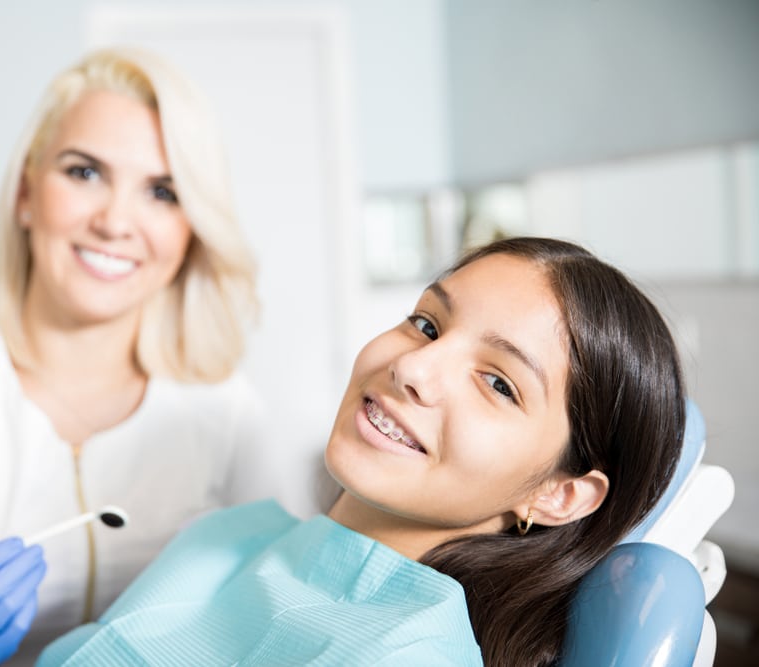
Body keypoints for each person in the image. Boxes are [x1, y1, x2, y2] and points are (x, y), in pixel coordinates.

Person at [0, 47, 318, 667]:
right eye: (84, 172)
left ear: (191, 232)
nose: (115, 221)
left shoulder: (225, 412)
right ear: (25, 194)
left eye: (161, 190)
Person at [36, 236, 687, 667]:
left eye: (498, 383)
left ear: (558, 493)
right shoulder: (233, 533)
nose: (415, 367)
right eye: (428, 323)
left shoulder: (409, 653)